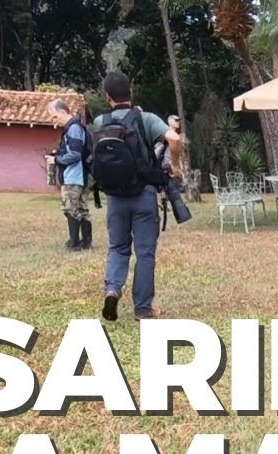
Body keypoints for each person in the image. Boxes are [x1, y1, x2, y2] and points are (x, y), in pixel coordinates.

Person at [90, 72, 182, 321]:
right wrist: (174, 164)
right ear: (131, 93)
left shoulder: (100, 122)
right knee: (144, 253)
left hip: (115, 198)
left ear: (108, 97)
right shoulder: (146, 119)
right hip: (143, 195)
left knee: (118, 248)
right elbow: (174, 139)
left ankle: (112, 289)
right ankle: (143, 308)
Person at [49, 99, 93, 252]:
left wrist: (57, 159)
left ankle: (74, 243)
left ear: (62, 111)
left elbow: (75, 153)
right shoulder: (76, 127)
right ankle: (85, 242)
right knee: (81, 209)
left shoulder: (73, 128)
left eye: (55, 116)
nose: (54, 121)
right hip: (80, 175)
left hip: (74, 175)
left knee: (71, 209)